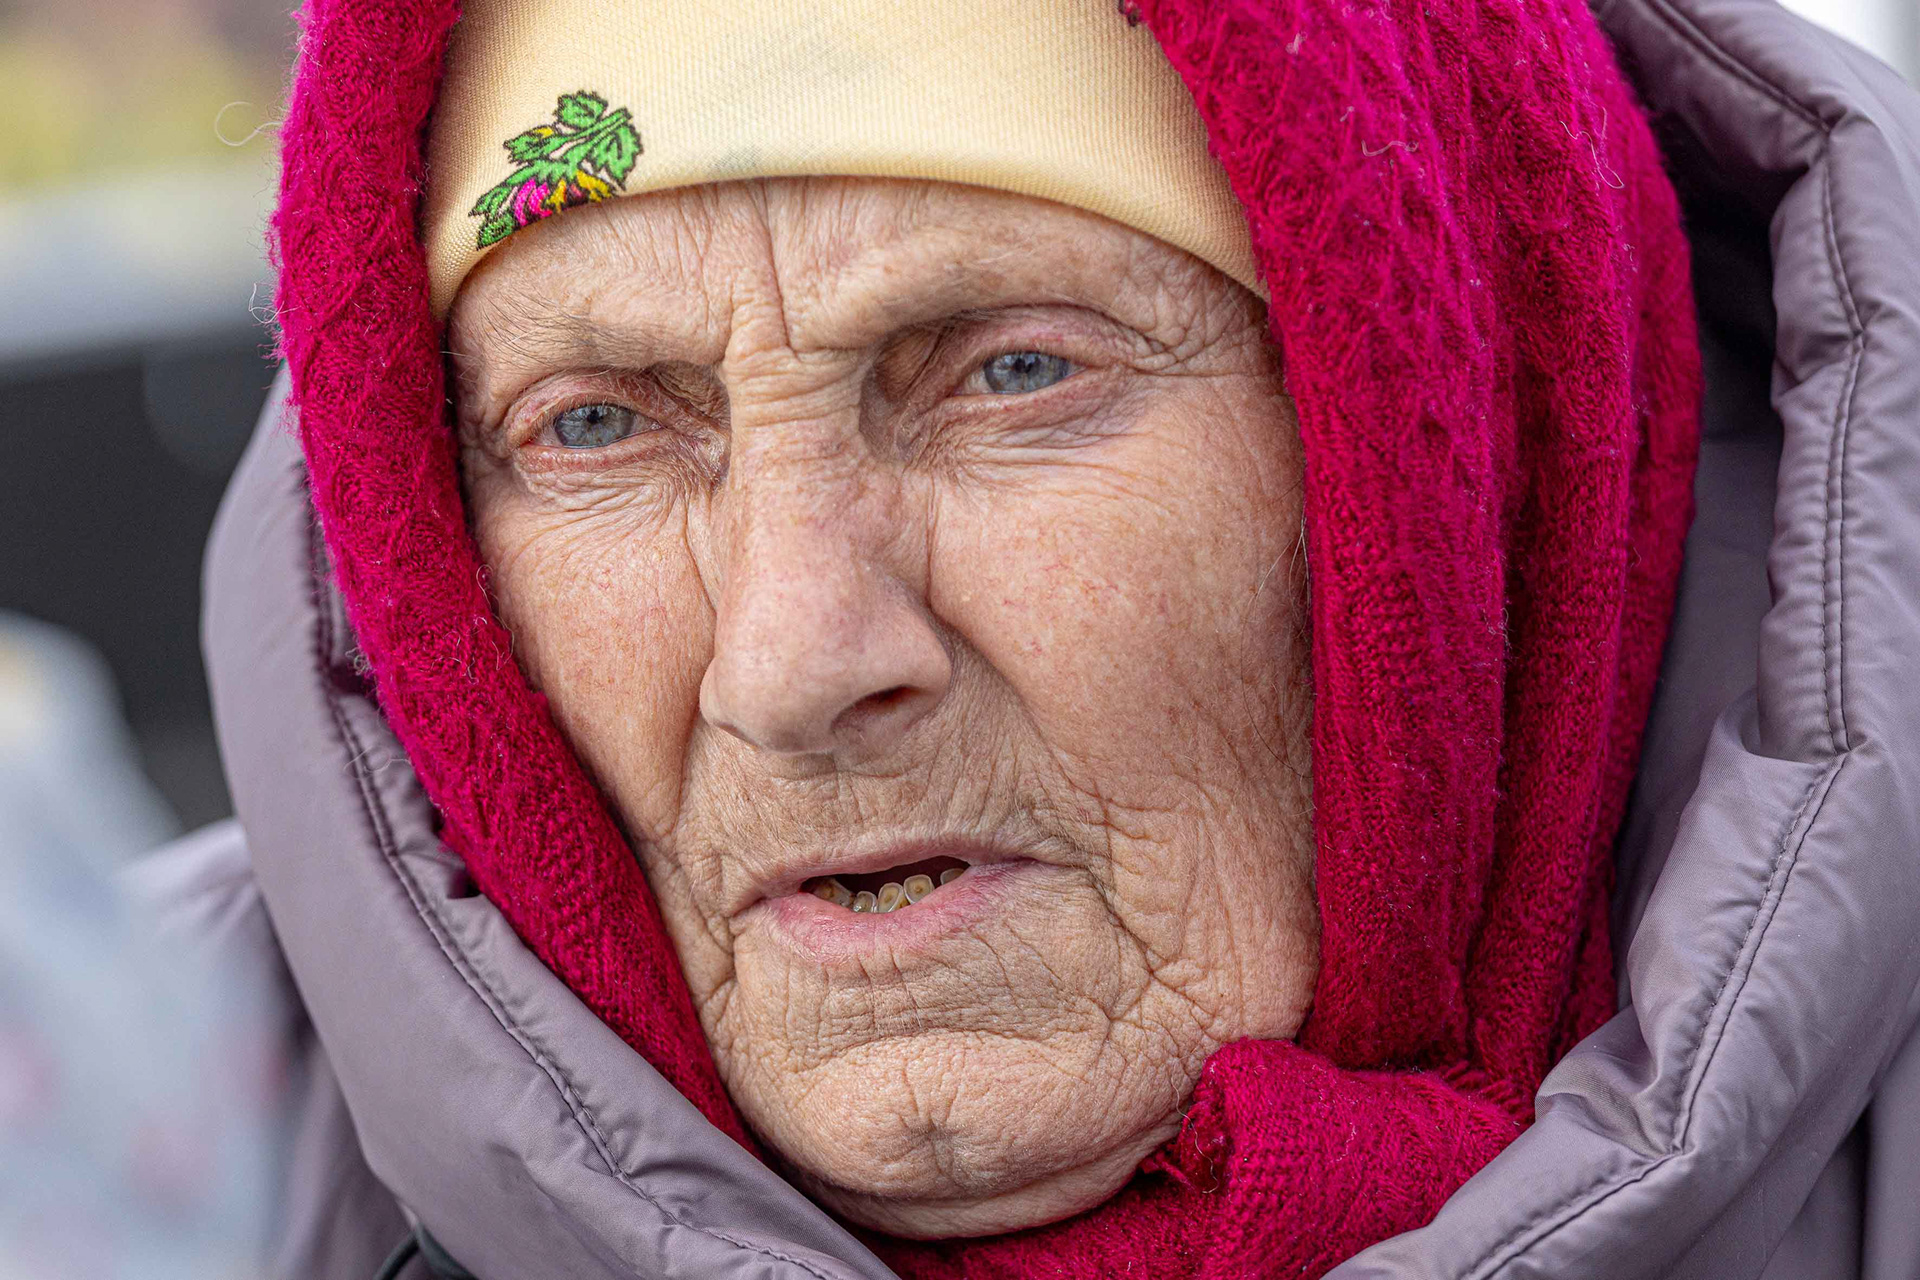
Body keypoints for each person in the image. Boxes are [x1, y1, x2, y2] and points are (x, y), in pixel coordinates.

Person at [137, 0, 1920, 1274]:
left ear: (1455, 458)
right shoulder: (95, 1144)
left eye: (1014, 374)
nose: (797, 663)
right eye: (596, 424)